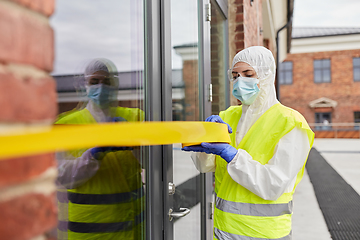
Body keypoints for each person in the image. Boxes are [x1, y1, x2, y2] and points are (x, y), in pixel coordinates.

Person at [182, 46, 314, 240]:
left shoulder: (290, 122)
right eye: (235, 75)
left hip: (264, 234)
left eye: (248, 74)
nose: (239, 81)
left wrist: (232, 155)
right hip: (223, 231)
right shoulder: (228, 116)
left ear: (266, 75)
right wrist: (205, 146)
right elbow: (204, 167)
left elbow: (273, 185)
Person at [55, 58, 145, 240]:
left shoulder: (135, 117)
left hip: (132, 230)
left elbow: (156, 164)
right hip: (88, 231)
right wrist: (94, 155)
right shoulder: (66, 125)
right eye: (94, 82)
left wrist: (135, 145)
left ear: (115, 85)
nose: (101, 87)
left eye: (106, 81)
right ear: (84, 86)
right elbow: (62, 177)